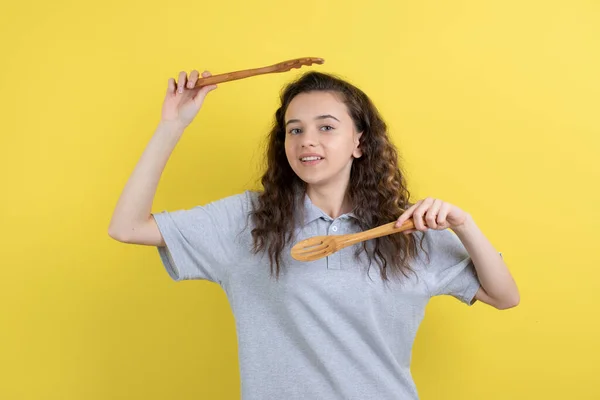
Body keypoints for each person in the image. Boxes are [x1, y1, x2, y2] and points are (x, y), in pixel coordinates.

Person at [108, 69, 519, 399]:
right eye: (295, 129)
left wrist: (464, 226)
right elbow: (127, 227)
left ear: (360, 141)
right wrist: (172, 125)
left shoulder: (407, 229)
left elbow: (504, 296)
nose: (307, 141)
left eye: (326, 127)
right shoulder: (248, 220)